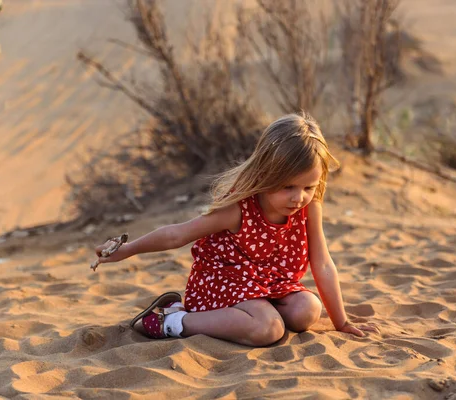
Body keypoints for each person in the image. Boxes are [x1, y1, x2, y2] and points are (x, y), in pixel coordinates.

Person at [94, 112, 379, 347]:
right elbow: (178, 234)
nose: (298, 197)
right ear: (266, 175)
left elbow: (322, 262)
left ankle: (253, 314)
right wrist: (127, 250)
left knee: (308, 310)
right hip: (224, 285)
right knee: (268, 330)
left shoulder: (309, 207)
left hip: (270, 286)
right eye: (288, 187)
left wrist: (341, 322)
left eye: (308, 187)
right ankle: (171, 321)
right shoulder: (238, 209)